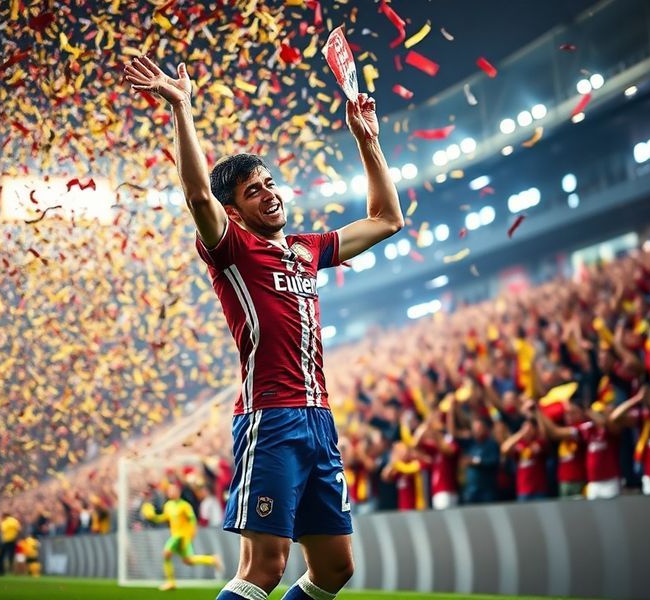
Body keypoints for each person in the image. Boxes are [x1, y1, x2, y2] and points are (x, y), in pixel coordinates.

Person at [124, 52, 402, 600]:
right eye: (253, 190)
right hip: (270, 417)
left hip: (320, 420)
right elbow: (199, 194)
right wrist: (182, 109)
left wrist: (368, 141)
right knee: (263, 570)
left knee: (334, 571)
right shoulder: (232, 250)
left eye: (270, 183)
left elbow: (387, 220)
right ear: (234, 211)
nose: (270, 193)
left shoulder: (305, 251)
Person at [141, 483, 223, 591]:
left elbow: (192, 520)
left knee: (166, 554)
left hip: (182, 536)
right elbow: (163, 518)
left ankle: (170, 582)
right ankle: (212, 559)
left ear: (178, 492)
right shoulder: (168, 505)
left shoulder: (184, 505)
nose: (171, 492)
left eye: (173, 490)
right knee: (188, 560)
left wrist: (192, 533)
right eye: (170, 490)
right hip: (176, 536)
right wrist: (153, 516)